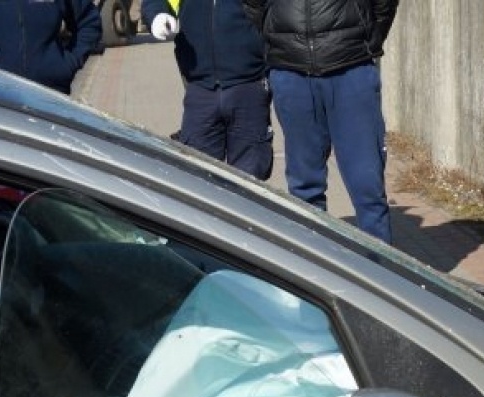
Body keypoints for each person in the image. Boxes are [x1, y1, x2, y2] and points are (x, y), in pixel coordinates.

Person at [241, 0, 400, 243]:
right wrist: (276, 37)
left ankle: (381, 272)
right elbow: (253, 4)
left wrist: (369, 39)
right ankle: (314, 269)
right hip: (290, 71)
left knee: (367, 185)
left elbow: (384, 4)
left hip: (351, 66)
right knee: (304, 186)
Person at [143, 0, 274, 180]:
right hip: (200, 88)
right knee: (199, 178)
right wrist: (156, 15)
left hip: (248, 85)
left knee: (251, 180)